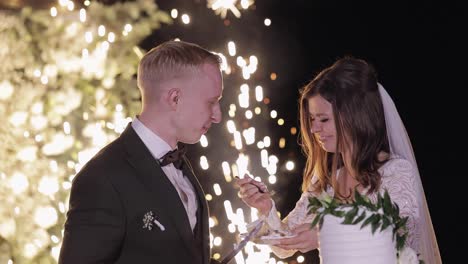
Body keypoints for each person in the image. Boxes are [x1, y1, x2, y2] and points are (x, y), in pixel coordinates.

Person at [236, 57, 441, 263]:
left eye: (323, 119)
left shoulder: (396, 173)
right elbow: (286, 245)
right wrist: (265, 208)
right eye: (312, 120)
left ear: (354, 117)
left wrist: (324, 235)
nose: (315, 129)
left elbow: (399, 242)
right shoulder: (326, 183)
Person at [59, 40, 224, 264]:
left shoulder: (179, 164)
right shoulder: (102, 178)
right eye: (211, 102)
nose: (217, 116)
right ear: (174, 98)